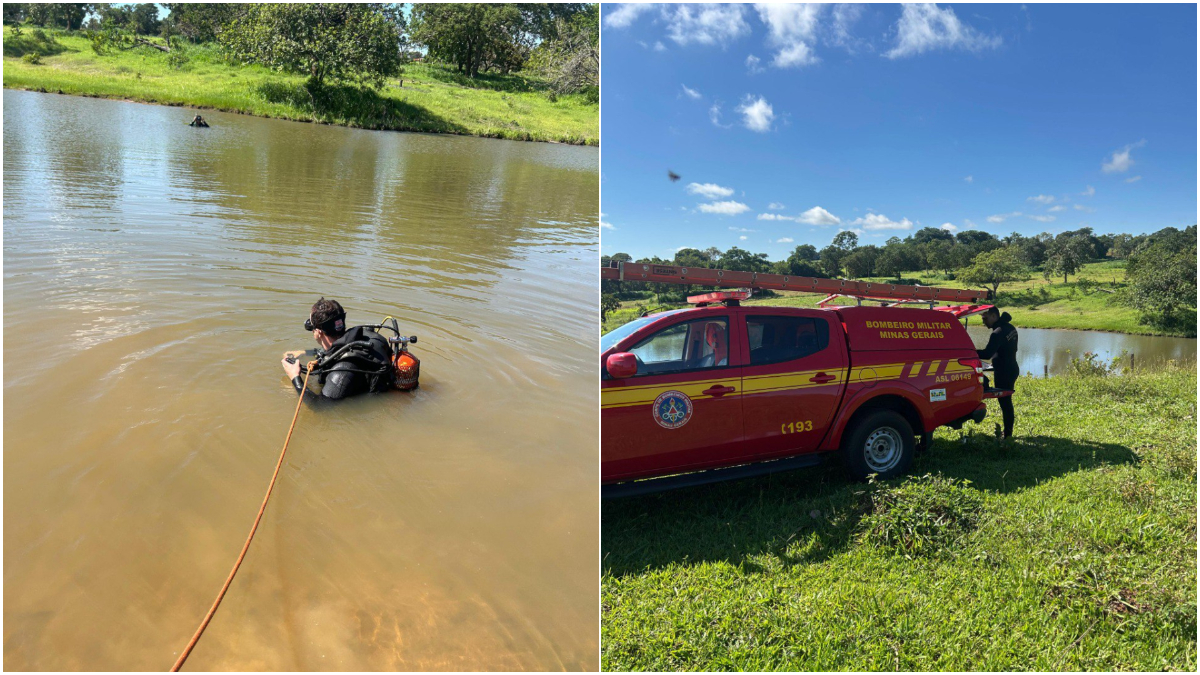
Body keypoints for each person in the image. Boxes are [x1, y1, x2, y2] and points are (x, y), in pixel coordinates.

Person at [282, 298, 395, 402]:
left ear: (318, 332)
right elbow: (332, 352)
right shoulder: (357, 337)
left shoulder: (342, 372)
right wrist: (305, 352)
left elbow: (321, 407)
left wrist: (295, 378)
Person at [977, 306, 1019, 438]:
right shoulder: (1010, 327)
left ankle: (1007, 434)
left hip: (1004, 371)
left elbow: (987, 353)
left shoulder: (997, 332)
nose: (983, 321)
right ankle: (1008, 432)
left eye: (985, 318)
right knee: (1006, 401)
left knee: (1005, 402)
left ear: (994, 316)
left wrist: (967, 351)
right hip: (1012, 367)